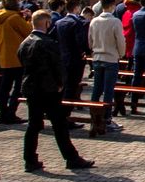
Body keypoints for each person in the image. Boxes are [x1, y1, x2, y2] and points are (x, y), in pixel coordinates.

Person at [17, 10, 94, 172]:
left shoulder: (25, 42)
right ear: (46, 23)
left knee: (34, 124)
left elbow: (21, 61)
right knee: (59, 125)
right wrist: (60, 83)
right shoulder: (47, 43)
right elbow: (58, 66)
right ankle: (72, 158)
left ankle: (29, 159)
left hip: (31, 87)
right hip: (49, 89)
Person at [88, 0, 126, 132]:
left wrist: (94, 49)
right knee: (108, 90)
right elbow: (120, 40)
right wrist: (121, 54)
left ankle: (93, 116)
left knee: (96, 89)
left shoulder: (94, 21)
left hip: (97, 57)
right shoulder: (115, 21)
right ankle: (106, 118)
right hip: (110, 58)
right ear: (112, 6)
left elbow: (90, 40)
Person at [0, 0, 32, 124]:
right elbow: (28, 31)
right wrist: (28, 18)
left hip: (4, 56)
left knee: (4, 87)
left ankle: (2, 112)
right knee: (17, 88)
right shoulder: (14, 18)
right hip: (17, 56)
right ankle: (11, 113)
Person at [54, 0, 90, 103]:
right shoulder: (79, 22)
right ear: (76, 8)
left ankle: (62, 103)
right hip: (76, 57)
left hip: (62, 56)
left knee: (64, 82)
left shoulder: (59, 22)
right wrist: (86, 51)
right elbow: (81, 40)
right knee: (73, 83)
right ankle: (67, 108)